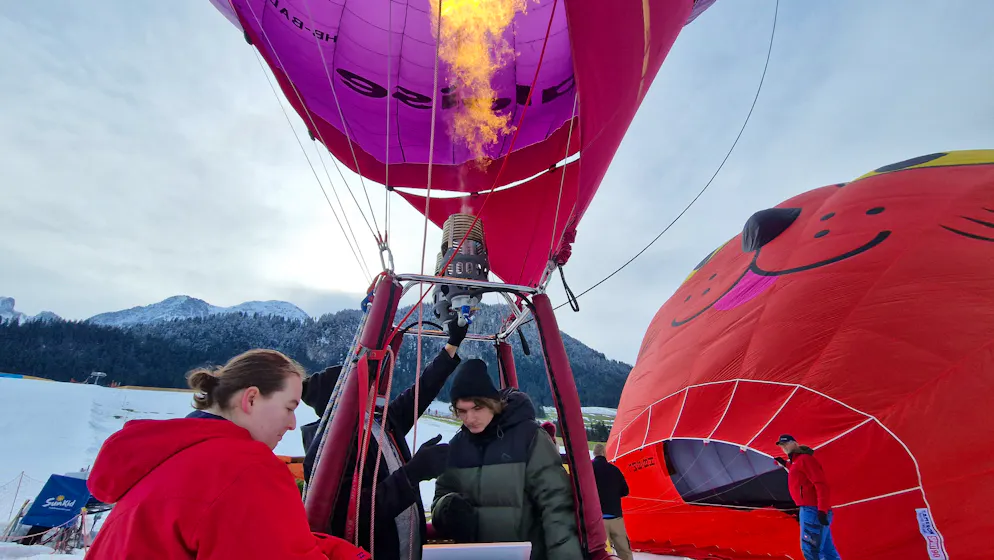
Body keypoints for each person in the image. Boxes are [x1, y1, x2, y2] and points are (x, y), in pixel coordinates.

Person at [84, 349, 370, 560]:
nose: (293, 423)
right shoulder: (245, 470)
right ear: (251, 399)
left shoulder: (167, 457)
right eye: (289, 407)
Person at [302, 320, 468, 560]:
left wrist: (452, 346)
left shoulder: (380, 422)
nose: (373, 386)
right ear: (345, 395)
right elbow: (355, 518)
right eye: (365, 382)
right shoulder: (327, 452)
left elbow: (421, 392)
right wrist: (413, 473)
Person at [430, 359, 582, 560]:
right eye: (462, 411)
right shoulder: (457, 446)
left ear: (491, 404)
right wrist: (447, 507)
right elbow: (440, 497)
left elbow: (556, 505)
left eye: (477, 408)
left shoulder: (529, 438)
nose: (470, 419)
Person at [775, 434, 843, 560]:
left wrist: (822, 510)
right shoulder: (796, 462)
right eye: (781, 445)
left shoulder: (805, 459)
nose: (784, 447)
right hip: (809, 509)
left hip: (813, 510)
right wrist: (785, 464)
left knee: (810, 549)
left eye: (786, 444)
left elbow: (820, 484)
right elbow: (800, 473)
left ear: (795, 443)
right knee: (828, 551)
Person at [591, 443, 632, 560]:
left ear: (594, 454)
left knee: (600, 554)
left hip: (597, 521)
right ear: (604, 453)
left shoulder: (588, 469)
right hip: (616, 519)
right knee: (625, 552)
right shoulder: (614, 470)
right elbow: (625, 491)